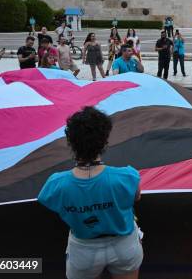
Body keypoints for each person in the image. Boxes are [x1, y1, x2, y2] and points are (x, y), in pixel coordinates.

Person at [38, 107, 143, 279]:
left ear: (71, 143)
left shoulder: (55, 185)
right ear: (104, 142)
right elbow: (136, 197)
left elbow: (52, 204)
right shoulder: (127, 176)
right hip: (124, 246)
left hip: (83, 251)